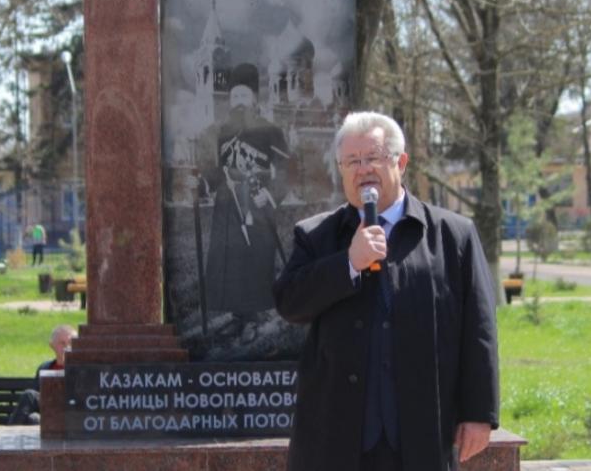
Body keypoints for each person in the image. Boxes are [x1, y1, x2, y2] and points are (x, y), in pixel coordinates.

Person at [273, 112, 499, 471]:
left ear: (401, 162)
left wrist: (479, 413)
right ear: (341, 171)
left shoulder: (453, 235)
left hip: (421, 432)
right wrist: (348, 262)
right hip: (338, 437)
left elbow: (479, 330)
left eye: (373, 158)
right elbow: (290, 303)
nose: (363, 170)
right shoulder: (316, 236)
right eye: (352, 162)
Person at [191, 62, 290, 316]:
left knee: (256, 257)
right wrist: (202, 184)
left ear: (255, 99)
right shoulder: (222, 132)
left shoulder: (271, 131)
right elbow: (217, 170)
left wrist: (269, 195)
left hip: (257, 201)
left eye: (244, 95)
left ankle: (258, 311)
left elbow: (285, 172)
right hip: (227, 204)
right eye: (235, 96)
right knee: (229, 260)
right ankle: (232, 311)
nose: (239, 101)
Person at [6, 325, 76, 425]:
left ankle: (9, 435)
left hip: (70, 414)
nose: (67, 347)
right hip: (48, 415)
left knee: (29, 395)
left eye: (71, 343)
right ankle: (12, 436)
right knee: (33, 418)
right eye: (62, 343)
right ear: (52, 345)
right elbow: (36, 399)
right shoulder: (44, 368)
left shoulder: (82, 369)